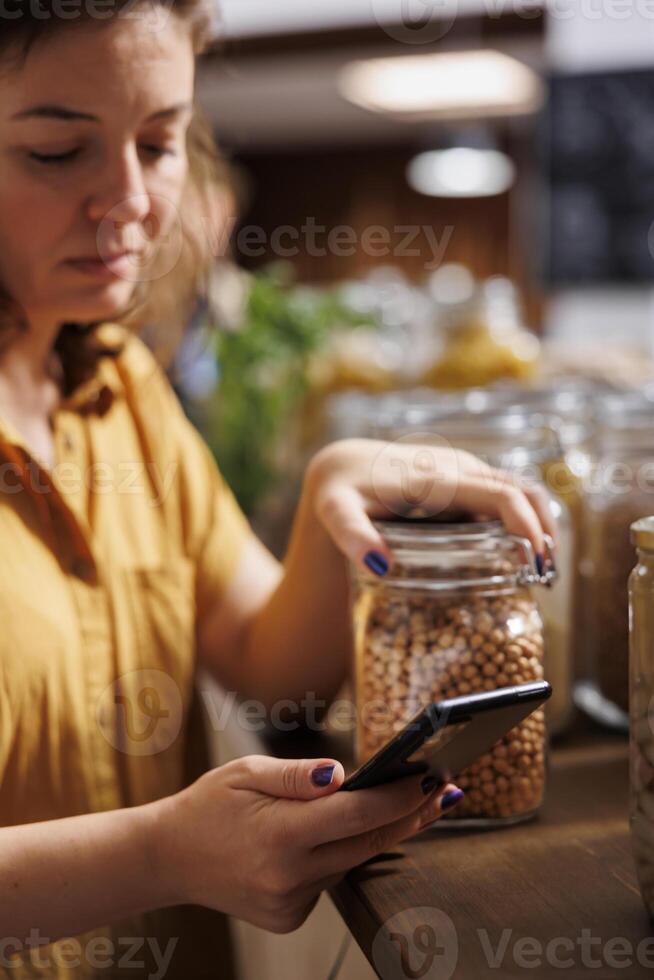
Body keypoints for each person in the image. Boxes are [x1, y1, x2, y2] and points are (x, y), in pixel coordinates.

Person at [0, 2, 554, 977]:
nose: (131, 199)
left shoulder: (121, 389)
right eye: (55, 151)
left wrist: (331, 492)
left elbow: (269, 665)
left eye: (162, 140)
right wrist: (160, 852)